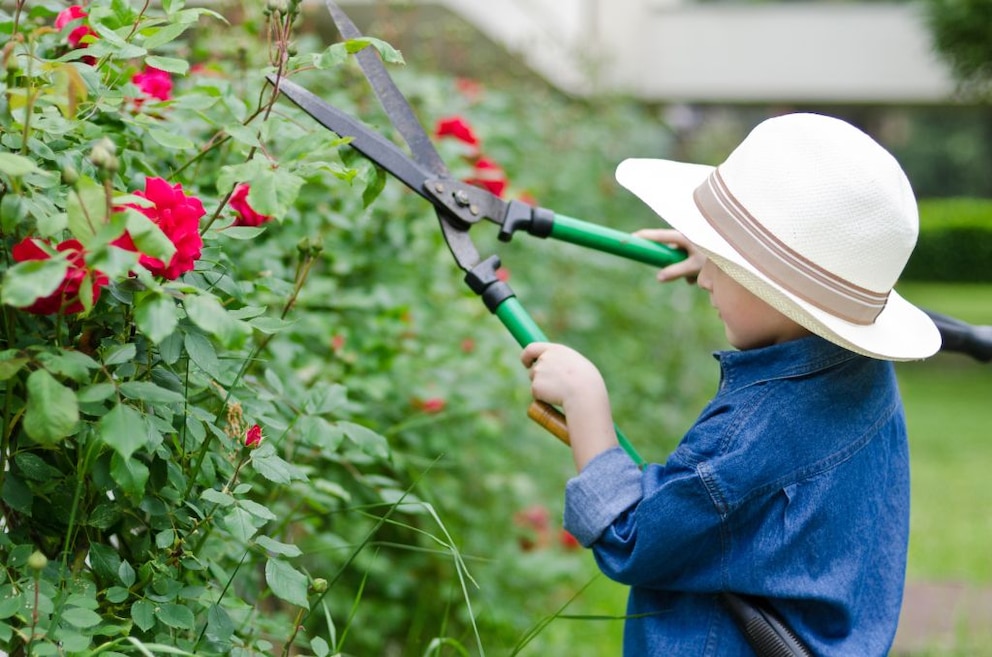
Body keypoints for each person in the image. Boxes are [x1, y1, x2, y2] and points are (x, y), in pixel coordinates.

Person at [520, 113, 941, 656]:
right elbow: (786, 292)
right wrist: (738, 266)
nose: (710, 275)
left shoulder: (751, 432)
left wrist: (585, 404)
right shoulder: (860, 375)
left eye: (726, 260)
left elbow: (634, 537)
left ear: (774, 290)